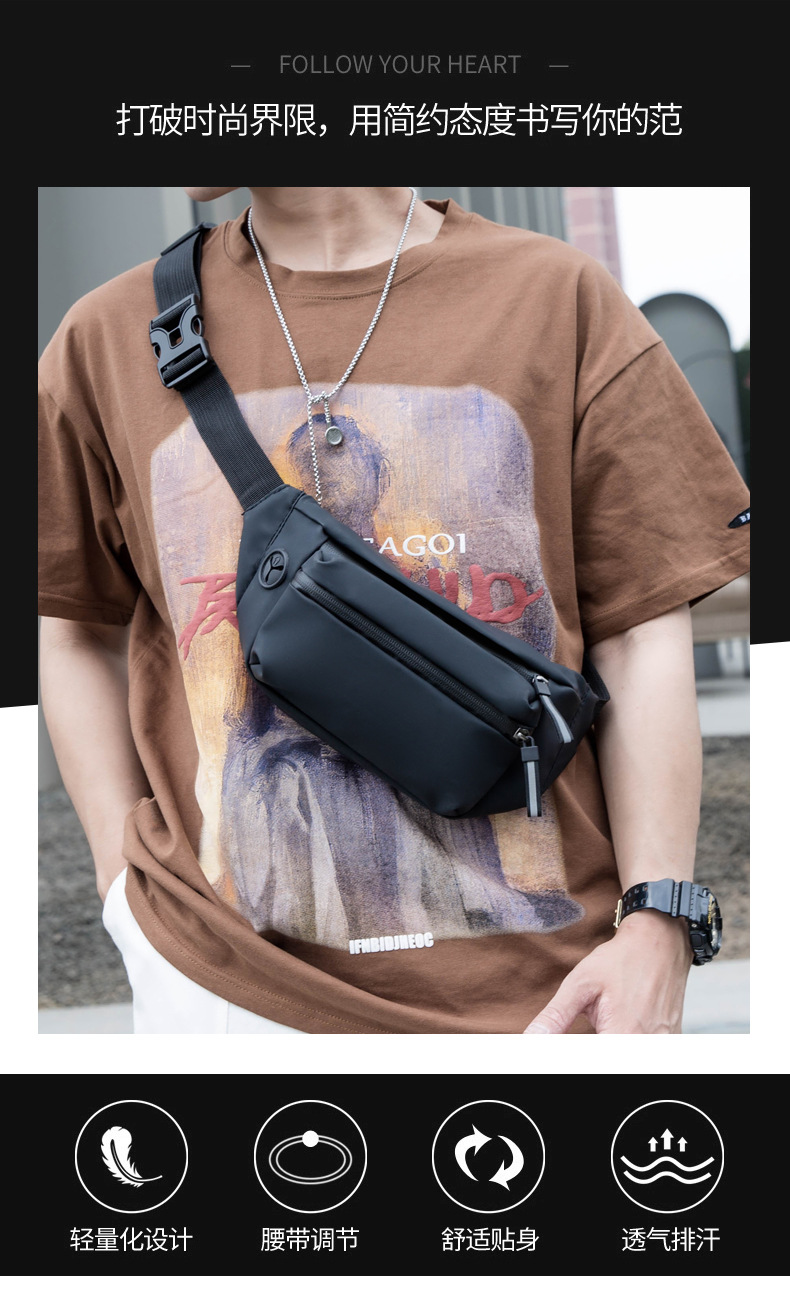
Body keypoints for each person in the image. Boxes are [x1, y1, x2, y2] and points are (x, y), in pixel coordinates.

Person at [38, 186, 750, 1034]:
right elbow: (73, 626)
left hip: (544, 995)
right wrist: (122, 886)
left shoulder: (557, 299)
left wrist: (658, 922)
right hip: (226, 987)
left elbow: (639, 636)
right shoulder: (105, 338)